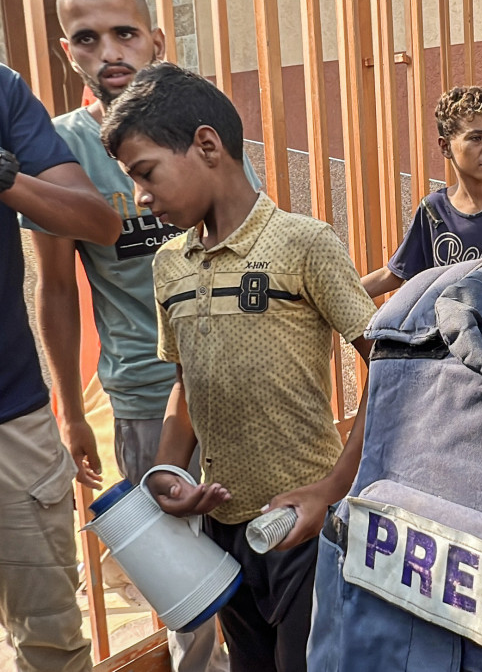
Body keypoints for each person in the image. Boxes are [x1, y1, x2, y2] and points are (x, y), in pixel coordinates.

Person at [101, 62, 378, 672]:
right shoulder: (170, 264)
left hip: (303, 528)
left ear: (207, 145)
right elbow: (183, 384)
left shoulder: (304, 243)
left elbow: (386, 368)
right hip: (223, 531)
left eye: (146, 173)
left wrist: (331, 491)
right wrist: (167, 469)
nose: (140, 197)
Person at [24, 0, 256, 672]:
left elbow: (256, 242)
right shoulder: (58, 150)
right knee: (181, 581)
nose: (110, 52)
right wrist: (68, 409)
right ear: (69, 53)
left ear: (157, 39)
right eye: (88, 39)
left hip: (238, 384)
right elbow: (58, 291)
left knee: (260, 552)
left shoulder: (201, 122)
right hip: (145, 397)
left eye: (125, 33)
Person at [0, 62, 121, 671]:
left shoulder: (1, 90)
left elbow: (99, 220)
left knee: (50, 641)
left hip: (11, 419)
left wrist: (6, 178)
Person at [361, 86, 482, 297]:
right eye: (476, 138)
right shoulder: (434, 212)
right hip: (450, 328)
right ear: (445, 147)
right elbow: (395, 273)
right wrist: (328, 298)